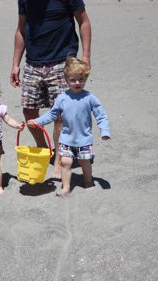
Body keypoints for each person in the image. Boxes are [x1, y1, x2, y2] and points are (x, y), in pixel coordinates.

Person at [10, 0, 92, 178]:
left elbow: (83, 21)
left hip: (62, 60)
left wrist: (86, 55)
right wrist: (15, 64)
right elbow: (21, 29)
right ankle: (45, 149)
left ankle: (58, 160)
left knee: (61, 114)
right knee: (29, 111)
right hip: (33, 62)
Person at [27, 57, 110, 197]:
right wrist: (37, 121)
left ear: (86, 78)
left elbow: (101, 115)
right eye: (73, 80)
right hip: (66, 138)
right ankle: (66, 187)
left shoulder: (90, 98)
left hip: (84, 138)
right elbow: (52, 114)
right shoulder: (62, 98)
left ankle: (88, 181)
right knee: (65, 162)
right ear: (66, 79)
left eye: (81, 79)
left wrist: (105, 131)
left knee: (84, 162)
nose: (77, 83)